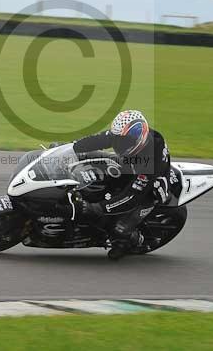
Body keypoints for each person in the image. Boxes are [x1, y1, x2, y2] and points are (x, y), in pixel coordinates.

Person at [72, 110, 172, 259]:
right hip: (131, 165)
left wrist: (97, 208)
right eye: (118, 139)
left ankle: (131, 241)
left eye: (123, 142)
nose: (118, 144)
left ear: (138, 139)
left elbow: (132, 196)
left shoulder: (151, 156)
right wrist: (69, 148)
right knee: (89, 158)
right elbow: (95, 140)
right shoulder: (124, 134)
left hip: (151, 187)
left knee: (118, 229)